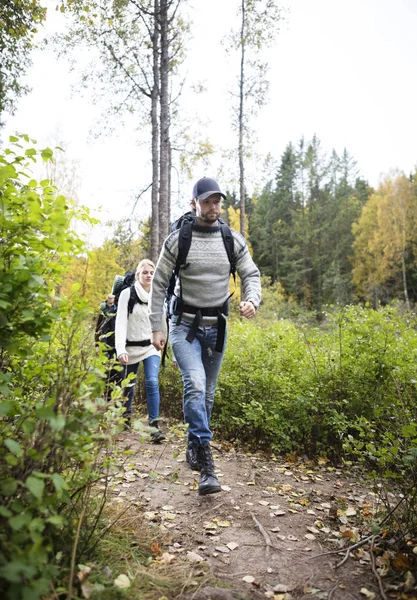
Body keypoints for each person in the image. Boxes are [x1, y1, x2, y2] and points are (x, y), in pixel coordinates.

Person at [149, 177, 261, 495]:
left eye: (218, 201)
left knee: (207, 395)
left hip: (218, 328)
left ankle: (193, 444)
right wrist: (157, 327)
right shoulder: (178, 239)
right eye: (207, 201)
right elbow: (158, 284)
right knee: (195, 385)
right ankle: (208, 466)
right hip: (184, 327)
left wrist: (252, 299)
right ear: (194, 202)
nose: (213, 207)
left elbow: (251, 273)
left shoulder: (231, 239)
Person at [115, 259, 166, 443]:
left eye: (151, 273)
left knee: (152, 381)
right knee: (129, 384)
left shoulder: (158, 295)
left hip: (151, 347)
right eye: (145, 272)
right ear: (138, 275)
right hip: (130, 348)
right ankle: (126, 415)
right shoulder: (127, 294)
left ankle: (154, 427)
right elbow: (121, 322)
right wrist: (120, 349)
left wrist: (170, 351)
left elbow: (163, 322)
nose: (149, 275)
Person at [95, 293, 122, 401]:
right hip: (105, 344)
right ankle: (107, 397)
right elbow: (98, 329)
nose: (111, 300)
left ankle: (117, 398)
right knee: (106, 371)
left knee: (118, 372)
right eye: (110, 299)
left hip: (117, 344)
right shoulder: (103, 310)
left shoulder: (119, 309)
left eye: (113, 298)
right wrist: (97, 345)